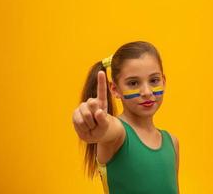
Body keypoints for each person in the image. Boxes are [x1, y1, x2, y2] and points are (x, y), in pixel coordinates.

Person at [72, 41, 180, 194]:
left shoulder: (172, 142)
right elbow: (109, 128)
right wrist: (97, 125)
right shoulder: (118, 134)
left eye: (154, 80)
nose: (147, 91)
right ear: (115, 90)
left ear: (163, 81)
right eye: (133, 83)